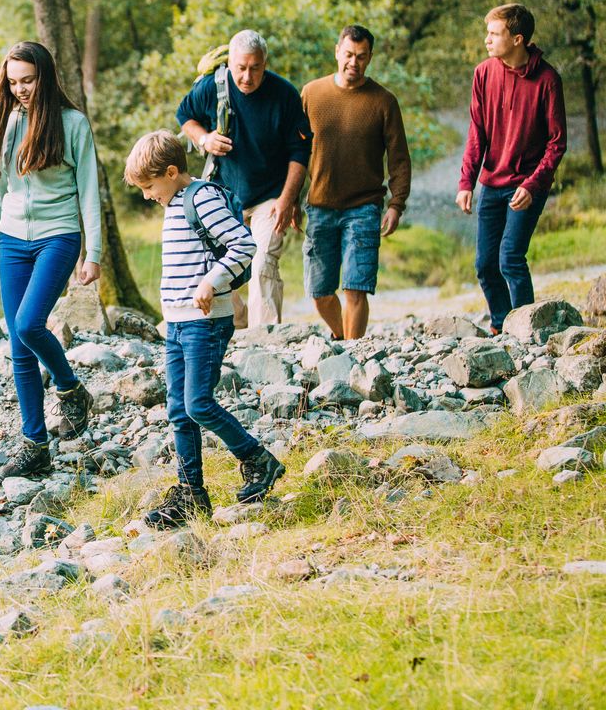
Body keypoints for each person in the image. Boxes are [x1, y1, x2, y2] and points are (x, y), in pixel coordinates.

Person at [123, 130, 284, 526]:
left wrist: (211, 281)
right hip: (178, 323)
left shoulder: (201, 198)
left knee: (198, 404)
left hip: (205, 322)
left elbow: (243, 245)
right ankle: (191, 495)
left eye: (148, 186)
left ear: (173, 172)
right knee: (179, 410)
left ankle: (258, 460)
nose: (146, 195)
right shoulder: (174, 201)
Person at [0, 41, 100, 480]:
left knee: (28, 324)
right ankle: (35, 445)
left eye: (29, 80)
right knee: (18, 347)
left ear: (45, 77)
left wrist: (92, 253)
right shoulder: (3, 122)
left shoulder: (72, 124)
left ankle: (70, 387)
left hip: (58, 236)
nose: (21, 89)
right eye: (14, 81)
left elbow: (89, 193)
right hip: (12, 240)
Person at [177, 30, 311, 327]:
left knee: (263, 261)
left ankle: (266, 337)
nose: (247, 77)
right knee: (222, 263)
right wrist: (205, 139)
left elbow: (300, 152)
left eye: (255, 68)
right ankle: (236, 326)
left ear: (265, 64)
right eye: (241, 68)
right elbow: (185, 115)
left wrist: (288, 199)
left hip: (272, 195)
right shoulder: (214, 87)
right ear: (230, 63)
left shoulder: (284, 95)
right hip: (225, 195)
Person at [457, 4, 567, 333]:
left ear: (517, 39)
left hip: (527, 186)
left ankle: (526, 330)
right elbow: (477, 132)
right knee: (485, 265)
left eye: (494, 33)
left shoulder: (547, 80)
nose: (487, 39)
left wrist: (533, 186)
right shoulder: (484, 73)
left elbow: (557, 143)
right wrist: (466, 182)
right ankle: (502, 325)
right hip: (492, 181)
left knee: (511, 259)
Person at [300, 26, 411, 340]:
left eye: (361, 57)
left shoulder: (384, 102)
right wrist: (291, 199)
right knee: (320, 292)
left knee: (355, 288)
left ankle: (353, 353)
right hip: (319, 205)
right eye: (348, 54)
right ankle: (343, 339)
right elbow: (293, 152)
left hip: (364, 207)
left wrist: (396, 205)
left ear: (370, 58)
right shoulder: (311, 93)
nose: (353, 62)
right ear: (337, 51)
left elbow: (400, 159)